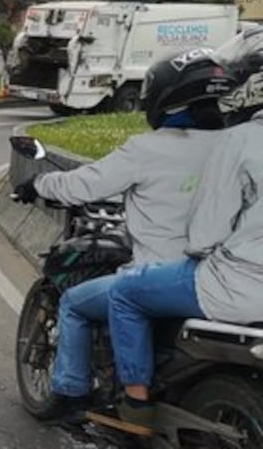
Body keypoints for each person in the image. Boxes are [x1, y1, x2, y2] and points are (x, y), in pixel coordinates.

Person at [10, 48, 235, 424]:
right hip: (230, 279)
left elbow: (82, 185)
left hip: (167, 276)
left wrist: (37, 183)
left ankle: (71, 392)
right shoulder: (237, 146)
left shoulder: (147, 149)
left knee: (75, 304)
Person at [102, 28, 263, 434]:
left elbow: (206, 234)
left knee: (125, 293)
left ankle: (134, 410)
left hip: (240, 285)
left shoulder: (240, 140)